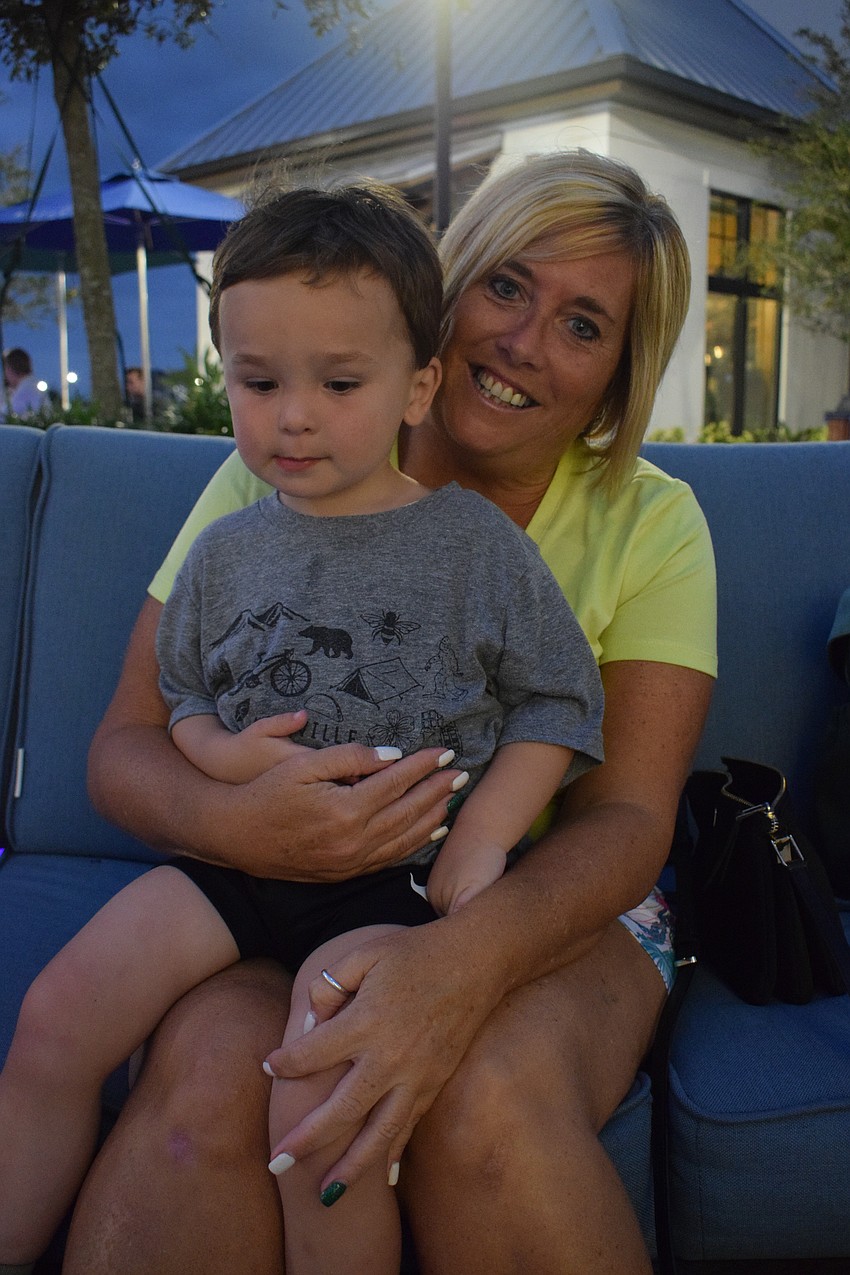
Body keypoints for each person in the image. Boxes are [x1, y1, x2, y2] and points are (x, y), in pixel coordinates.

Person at [69, 149, 717, 1275]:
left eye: (582, 325)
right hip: (283, 886)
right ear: (440, 294)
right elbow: (127, 745)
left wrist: (461, 960)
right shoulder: (291, 457)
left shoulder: (651, 524)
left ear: (619, 372)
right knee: (217, 1091)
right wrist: (242, 829)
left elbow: (623, 819)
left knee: (484, 1101)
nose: (521, 341)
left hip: (544, 898)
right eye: (506, 285)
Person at [1, 347, 44, 420]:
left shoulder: (26, 388)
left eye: (6, 369)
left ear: (10, 369)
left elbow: (5, 415)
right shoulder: (30, 384)